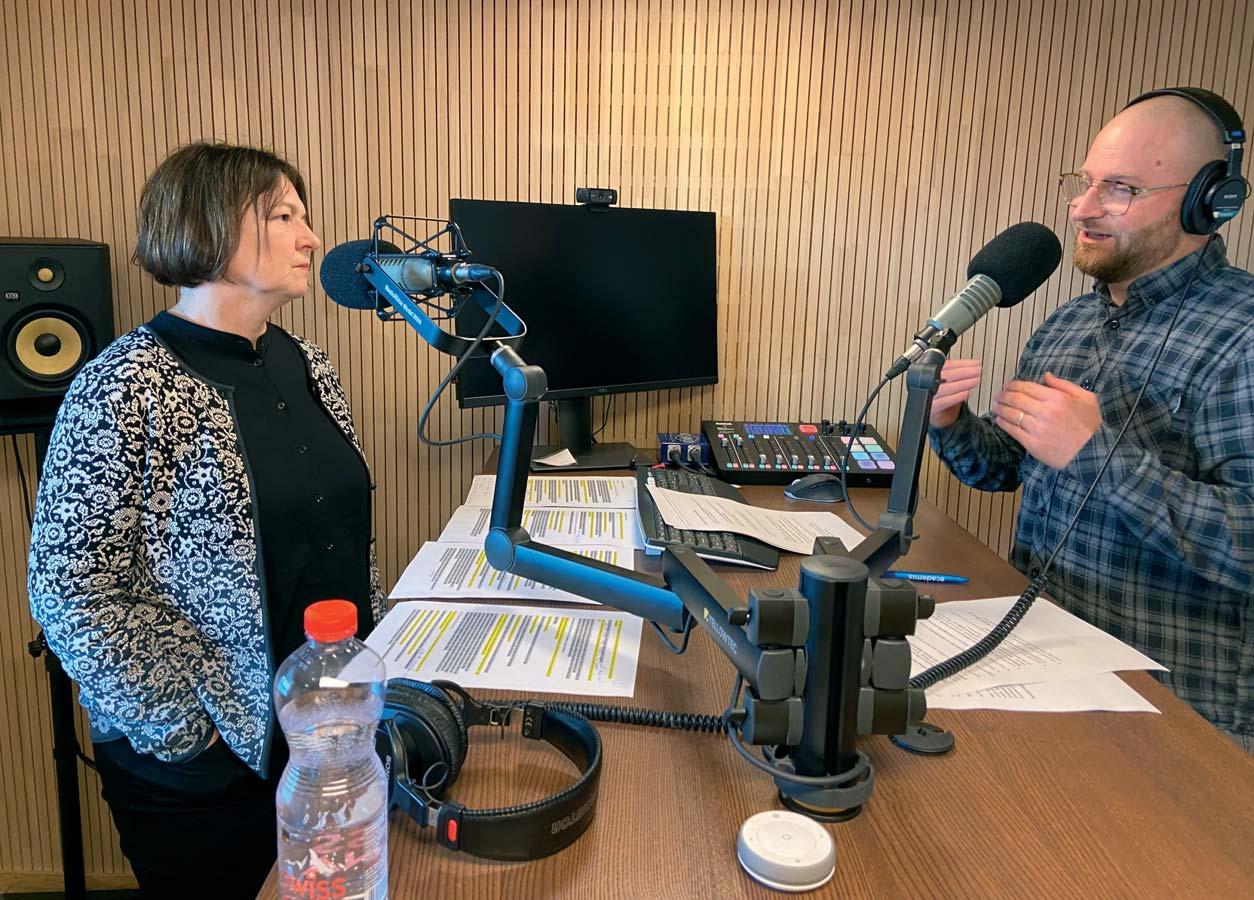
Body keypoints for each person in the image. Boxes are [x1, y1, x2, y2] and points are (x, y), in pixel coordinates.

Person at [27, 142, 388, 896]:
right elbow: (69, 589)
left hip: (328, 738)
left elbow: (340, 530)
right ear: (208, 225)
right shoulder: (122, 385)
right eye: (283, 216)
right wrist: (187, 733)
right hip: (204, 776)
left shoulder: (307, 362)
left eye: (303, 216)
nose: (311, 238)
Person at [929, 88, 1253, 752]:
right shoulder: (1069, 323)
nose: (1082, 208)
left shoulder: (1243, 334)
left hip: (1171, 719)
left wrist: (1095, 454)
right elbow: (1006, 470)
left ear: (1208, 201)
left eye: (1121, 189)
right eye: (1084, 183)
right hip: (1033, 663)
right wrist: (952, 421)